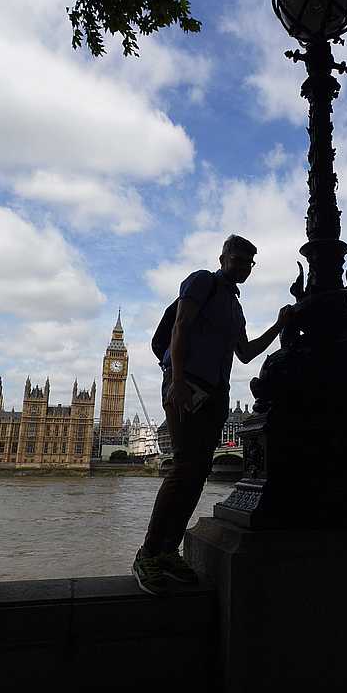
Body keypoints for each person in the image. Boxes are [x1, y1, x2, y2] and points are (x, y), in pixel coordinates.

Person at [132, 234, 293, 595]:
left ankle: (169, 551)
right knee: (184, 468)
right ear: (223, 258)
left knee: (198, 473)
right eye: (237, 258)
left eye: (249, 262)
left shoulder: (236, 309)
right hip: (187, 385)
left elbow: (247, 353)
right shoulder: (202, 280)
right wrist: (176, 378)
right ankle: (148, 553)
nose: (243, 266)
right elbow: (180, 327)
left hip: (216, 394)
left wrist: (280, 325)